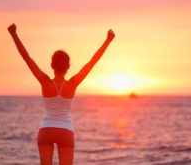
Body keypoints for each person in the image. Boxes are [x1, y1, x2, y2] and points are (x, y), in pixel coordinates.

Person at [8, 23, 115, 165]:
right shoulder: (72, 84)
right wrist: (108, 40)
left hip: (46, 130)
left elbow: (27, 58)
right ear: (68, 67)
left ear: (52, 65)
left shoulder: (45, 82)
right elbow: (92, 62)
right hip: (65, 132)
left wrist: (14, 34)